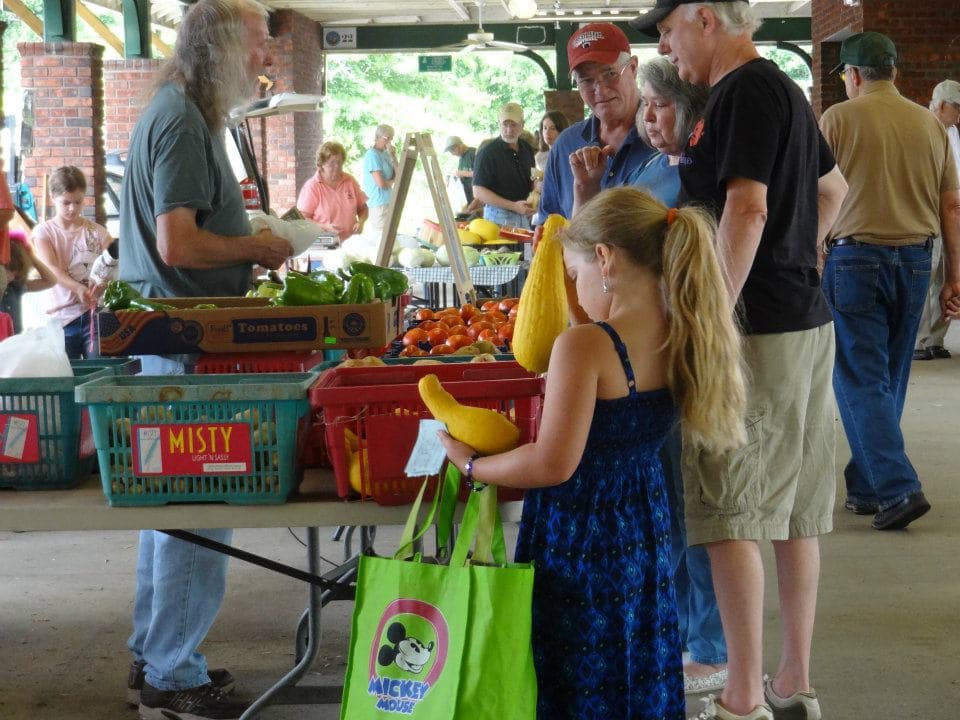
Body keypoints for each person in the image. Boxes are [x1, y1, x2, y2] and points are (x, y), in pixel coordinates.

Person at [440, 186, 746, 720]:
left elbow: (552, 462)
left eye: (576, 274)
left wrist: (471, 464)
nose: (573, 290)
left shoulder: (582, 348)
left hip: (581, 538)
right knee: (634, 657)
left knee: (573, 670)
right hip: (642, 527)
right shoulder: (685, 331)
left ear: (605, 258)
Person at [633, 2, 848, 719]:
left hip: (753, 335)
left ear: (705, 16)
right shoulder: (779, 87)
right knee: (791, 512)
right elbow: (833, 190)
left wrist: (710, 317)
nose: (665, 47)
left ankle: (743, 696)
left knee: (727, 511)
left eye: (667, 33)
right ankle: (793, 684)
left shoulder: (745, 91)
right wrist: (800, 256)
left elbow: (747, 209)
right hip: (797, 322)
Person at [118, 0, 293, 718]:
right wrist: (254, 246)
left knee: (170, 510)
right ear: (220, 49)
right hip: (185, 348)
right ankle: (173, 675)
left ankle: (155, 655)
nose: (266, 58)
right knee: (200, 507)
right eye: (257, 45)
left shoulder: (179, 110)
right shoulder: (184, 122)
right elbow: (179, 245)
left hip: (170, 342)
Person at [569, 56, 725, 697]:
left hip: (651, 352)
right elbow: (588, 246)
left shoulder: (687, 180)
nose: (650, 116)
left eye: (660, 105)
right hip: (650, 351)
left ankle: (706, 643)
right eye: (651, 108)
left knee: (688, 511)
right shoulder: (623, 165)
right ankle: (677, 640)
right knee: (664, 513)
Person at [819, 34, 960, 531]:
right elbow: (951, 206)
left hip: (855, 257)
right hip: (918, 260)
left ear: (854, 76)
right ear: (895, 71)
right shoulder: (930, 125)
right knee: (889, 377)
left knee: (858, 376)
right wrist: (954, 276)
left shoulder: (837, 119)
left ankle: (897, 488)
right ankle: (866, 485)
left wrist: (811, 253)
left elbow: (816, 193)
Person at [537, 22, 654, 223]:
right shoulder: (565, 145)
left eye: (610, 74)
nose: (600, 89)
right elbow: (549, 225)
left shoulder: (665, 138)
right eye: (586, 80)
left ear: (633, 68)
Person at [32, 166, 113, 359]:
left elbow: (115, 265)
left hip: (95, 315)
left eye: (78, 202)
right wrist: (78, 288)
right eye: (66, 203)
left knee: (100, 371)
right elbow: (51, 269)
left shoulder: (98, 232)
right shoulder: (44, 232)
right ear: (53, 198)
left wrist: (105, 282)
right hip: (61, 320)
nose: (72, 208)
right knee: (66, 379)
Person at [914, 78, 960, 360]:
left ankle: (936, 338)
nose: (959, 113)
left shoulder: (953, 133)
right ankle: (919, 340)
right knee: (926, 273)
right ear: (941, 104)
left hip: (951, 212)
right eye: (956, 107)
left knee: (945, 276)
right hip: (929, 212)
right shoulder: (920, 128)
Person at [472, 102, 537, 229]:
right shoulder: (488, 152)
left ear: (522, 125)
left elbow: (532, 178)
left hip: (523, 216)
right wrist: (513, 206)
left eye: (514, 125)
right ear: (498, 124)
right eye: (505, 124)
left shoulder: (527, 148)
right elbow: (478, 191)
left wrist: (536, 190)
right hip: (497, 218)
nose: (509, 130)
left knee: (525, 249)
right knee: (504, 249)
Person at [296, 141, 369, 242]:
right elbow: (302, 219)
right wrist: (324, 227)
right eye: (332, 163)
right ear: (322, 165)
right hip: (324, 242)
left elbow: (363, 208)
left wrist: (361, 222)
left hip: (350, 242)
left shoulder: (350, 181)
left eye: (339, 162)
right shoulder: (312, 186)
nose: (337, 167)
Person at [1, 230, 57, 334]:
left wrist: (30, 255)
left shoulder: (15, 287)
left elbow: (51, 281)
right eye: (8, 269)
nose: (11, 275)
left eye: (15, 271)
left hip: (14, 343)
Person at [361, 123, 398, 235]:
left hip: (389, 200)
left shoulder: (386, 154)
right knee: (381, 238)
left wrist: (393, 155)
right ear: (377, 137)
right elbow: (381, 183)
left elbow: (399, 173)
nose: (389, 142)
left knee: (391, 236)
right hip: (378, 203)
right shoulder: (372, 154)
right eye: (387, 138)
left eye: (391, 138)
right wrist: (394, 181)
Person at [443, 135, 482, 216]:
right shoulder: (461, 158)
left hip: (478, 199)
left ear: (458, 146)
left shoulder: (474, 153)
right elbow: (463, 175)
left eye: (452, 151)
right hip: (468, 198)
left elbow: (482, 174)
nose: (452, 154)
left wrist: (462, 173)